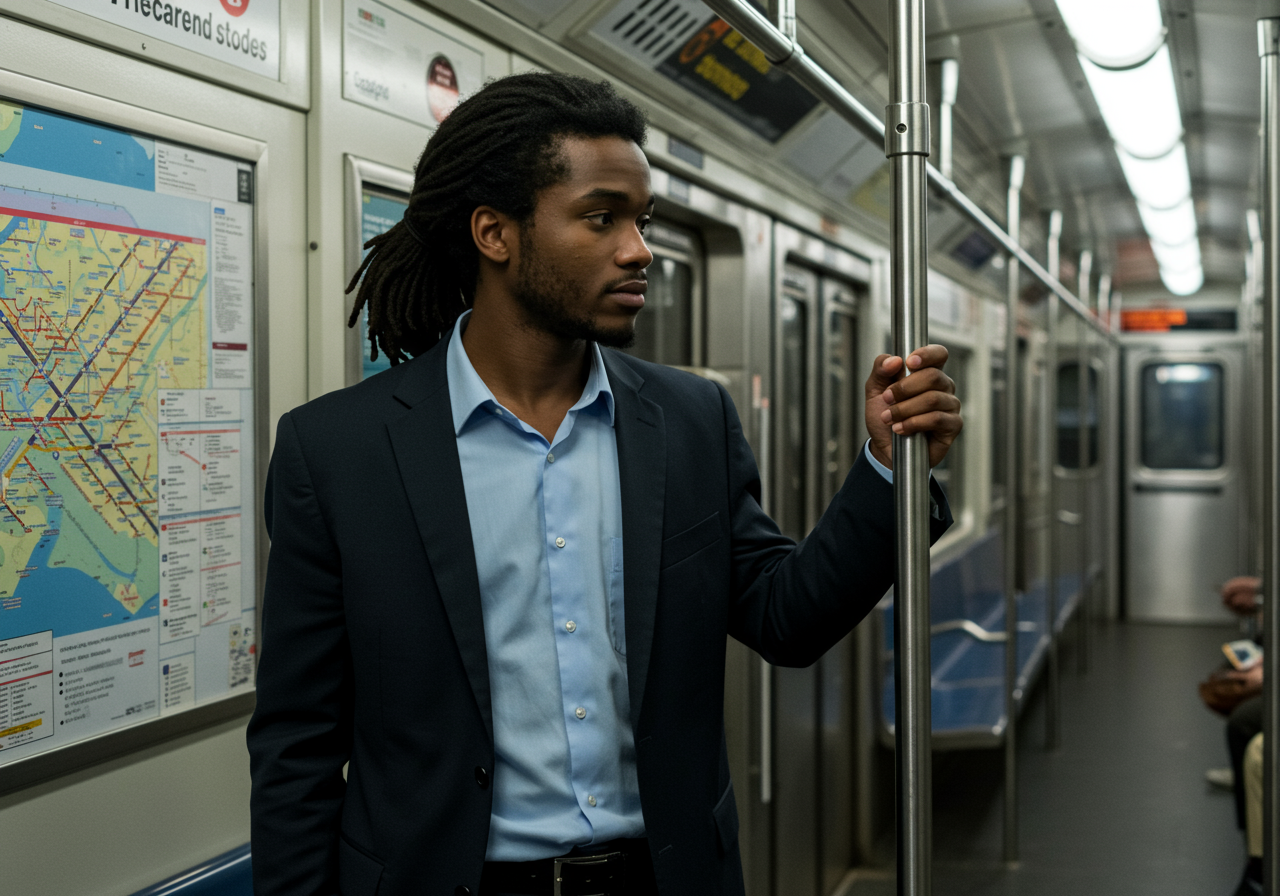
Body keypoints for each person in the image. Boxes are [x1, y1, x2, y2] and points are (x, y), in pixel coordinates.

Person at [246, 72, 962, 896]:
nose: (639, 249)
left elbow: (783, 616)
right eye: (600, 218)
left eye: (642, 221)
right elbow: (298, 744)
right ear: (494, 233)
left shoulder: (690, 421)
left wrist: (887, 469)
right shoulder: (339, 451)